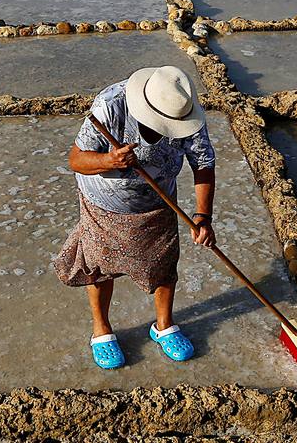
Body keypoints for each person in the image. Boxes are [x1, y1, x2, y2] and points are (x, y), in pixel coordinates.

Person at [55, 65, 217, 370]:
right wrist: (109, 160)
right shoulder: (111, 105)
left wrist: (203, 217)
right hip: (103, 204)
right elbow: (76, 159)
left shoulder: (186, 113)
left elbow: (204, 164)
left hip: (158, 203)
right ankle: (102, 330)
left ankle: (163, 326)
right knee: (99, 267)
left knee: (164, 265)